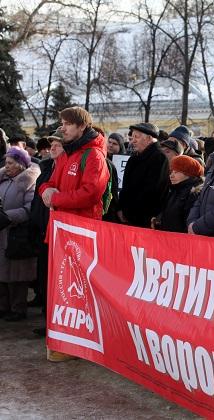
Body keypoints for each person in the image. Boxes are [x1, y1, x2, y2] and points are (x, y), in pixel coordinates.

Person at [39, 107, 109, 361]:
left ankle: (82, 341)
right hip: (61, 231)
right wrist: (46, 191)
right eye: (62, 123)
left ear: (81, 126)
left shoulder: (93, 156)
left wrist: (57, 197)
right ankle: (64, 338)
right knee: (61, 288)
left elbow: (91, 193)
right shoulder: (66, 154)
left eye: (67, 124)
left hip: (81, 233)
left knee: (79, 290)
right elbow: (48, 181)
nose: (63, 128)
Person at [29, 133, 64, 332]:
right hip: (43, 228)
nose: (52, 148)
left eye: (57, 145)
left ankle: (52, 322)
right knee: (44, 276)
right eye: (52, 145)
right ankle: (46, 316)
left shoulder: (64, 168)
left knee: (55, 279)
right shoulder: (47, 167)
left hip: (57, 231)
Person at [0, 148, 40, 322]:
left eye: (10, 163)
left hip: (16, 233)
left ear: (20, 165)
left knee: (17, 274)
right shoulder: (2, 179)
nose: (6, 167)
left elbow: (30, 208)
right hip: (1, 232)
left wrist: (9, 217)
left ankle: (18, 308)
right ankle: (3, 307)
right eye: (5, 163)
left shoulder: (28, 181)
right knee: (1, 272)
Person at [118, 123, 169, 228]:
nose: (133, 141)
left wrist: (131, 212)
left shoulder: (159, 158)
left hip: (144, 220)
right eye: (132, 137)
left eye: (137, 137)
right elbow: (125, 186)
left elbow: (153, 192)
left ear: (149, 138)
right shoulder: (134, 158)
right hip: (128, 217)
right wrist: (121, 208)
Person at [152, 155, 203, 233]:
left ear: (188, 174)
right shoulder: (175, 189)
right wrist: (159, 221)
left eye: (176, 172)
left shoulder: (194, 194)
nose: (171, 176)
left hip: (181, 241)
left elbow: (186, 223)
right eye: (171, 172)